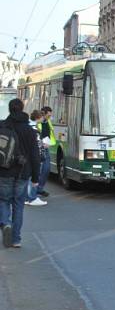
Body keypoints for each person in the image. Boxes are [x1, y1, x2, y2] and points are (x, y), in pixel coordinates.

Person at [0, 98, 41, 248]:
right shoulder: (29, 130)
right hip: (23, 173)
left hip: (3, 172)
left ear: (10, 110)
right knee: (18, 205)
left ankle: (5, 223)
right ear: (23, 108)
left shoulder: (2, 126)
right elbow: (35, 156)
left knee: (3, 201)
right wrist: (36, 178)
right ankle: (16, 239)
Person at [24, 110, 47, 206]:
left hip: (26, 156)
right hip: (35, 157)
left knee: (27, 177)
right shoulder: (34, 129)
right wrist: (43, 146)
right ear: (38, 117)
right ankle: (32, 197)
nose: (43, 118)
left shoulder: (27, 126)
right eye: (42, 117)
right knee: (34, 176)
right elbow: (37, 145)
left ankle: (26, 197)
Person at [37, 106, 54, 197]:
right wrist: (42, 143)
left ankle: (40, 188)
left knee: (46, 169)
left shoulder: (48, 121)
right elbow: (37, 134)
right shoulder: (38, 123)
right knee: (38, 170)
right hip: (39, 147)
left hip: (46, 147)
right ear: (44, 113)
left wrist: (48, 143)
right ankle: (34, 191)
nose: (50, 116)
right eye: (48, 114)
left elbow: (49, 133)